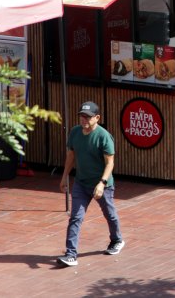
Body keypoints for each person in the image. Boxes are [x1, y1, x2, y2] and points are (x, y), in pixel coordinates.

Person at [58, 101, 124, 266]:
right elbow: (71, 156)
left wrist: (102, 184)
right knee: (75, 218)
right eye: (82, 116)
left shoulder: (103, 136)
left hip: (102, 184)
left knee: (109, 214)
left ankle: (117, 240)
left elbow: (110, 163)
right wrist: (65, 176)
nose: (84, 119)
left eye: (87, 117)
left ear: (97, 118)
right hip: (81, 182)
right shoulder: (75, 132)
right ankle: (71, 254)